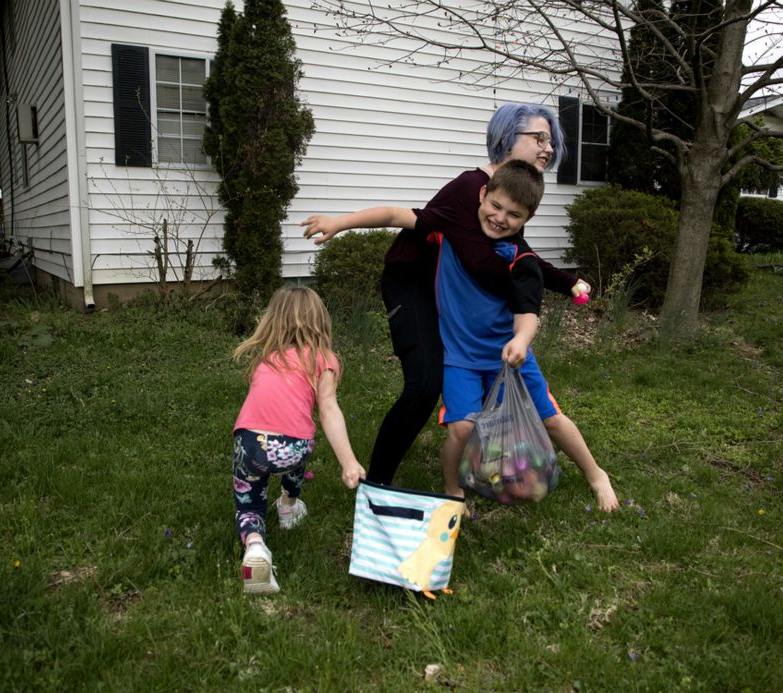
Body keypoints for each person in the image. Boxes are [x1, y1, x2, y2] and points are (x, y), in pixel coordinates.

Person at [301, 103, 590, 491]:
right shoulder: (470, 190)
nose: (547, 148)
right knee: (424, 384)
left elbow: (525, 261)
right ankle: (377, 482)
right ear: (507, 138)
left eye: (551, 141)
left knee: (450, 387)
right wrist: (340, 222)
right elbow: (398, 216)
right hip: (413, 280)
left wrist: (568, 282)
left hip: (455, 299)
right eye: (538, 138)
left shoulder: (511, 199)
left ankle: (480, 462)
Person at [231, 287, 366, 594]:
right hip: (292, 446)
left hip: (249, 441)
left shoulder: (266, 357)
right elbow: (329, 410)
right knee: (298, 449)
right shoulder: (323, 359)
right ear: (320, 321)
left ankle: (255, 546)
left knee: (249, 498)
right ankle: (289, 506)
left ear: (274, 321)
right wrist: (349, 462)